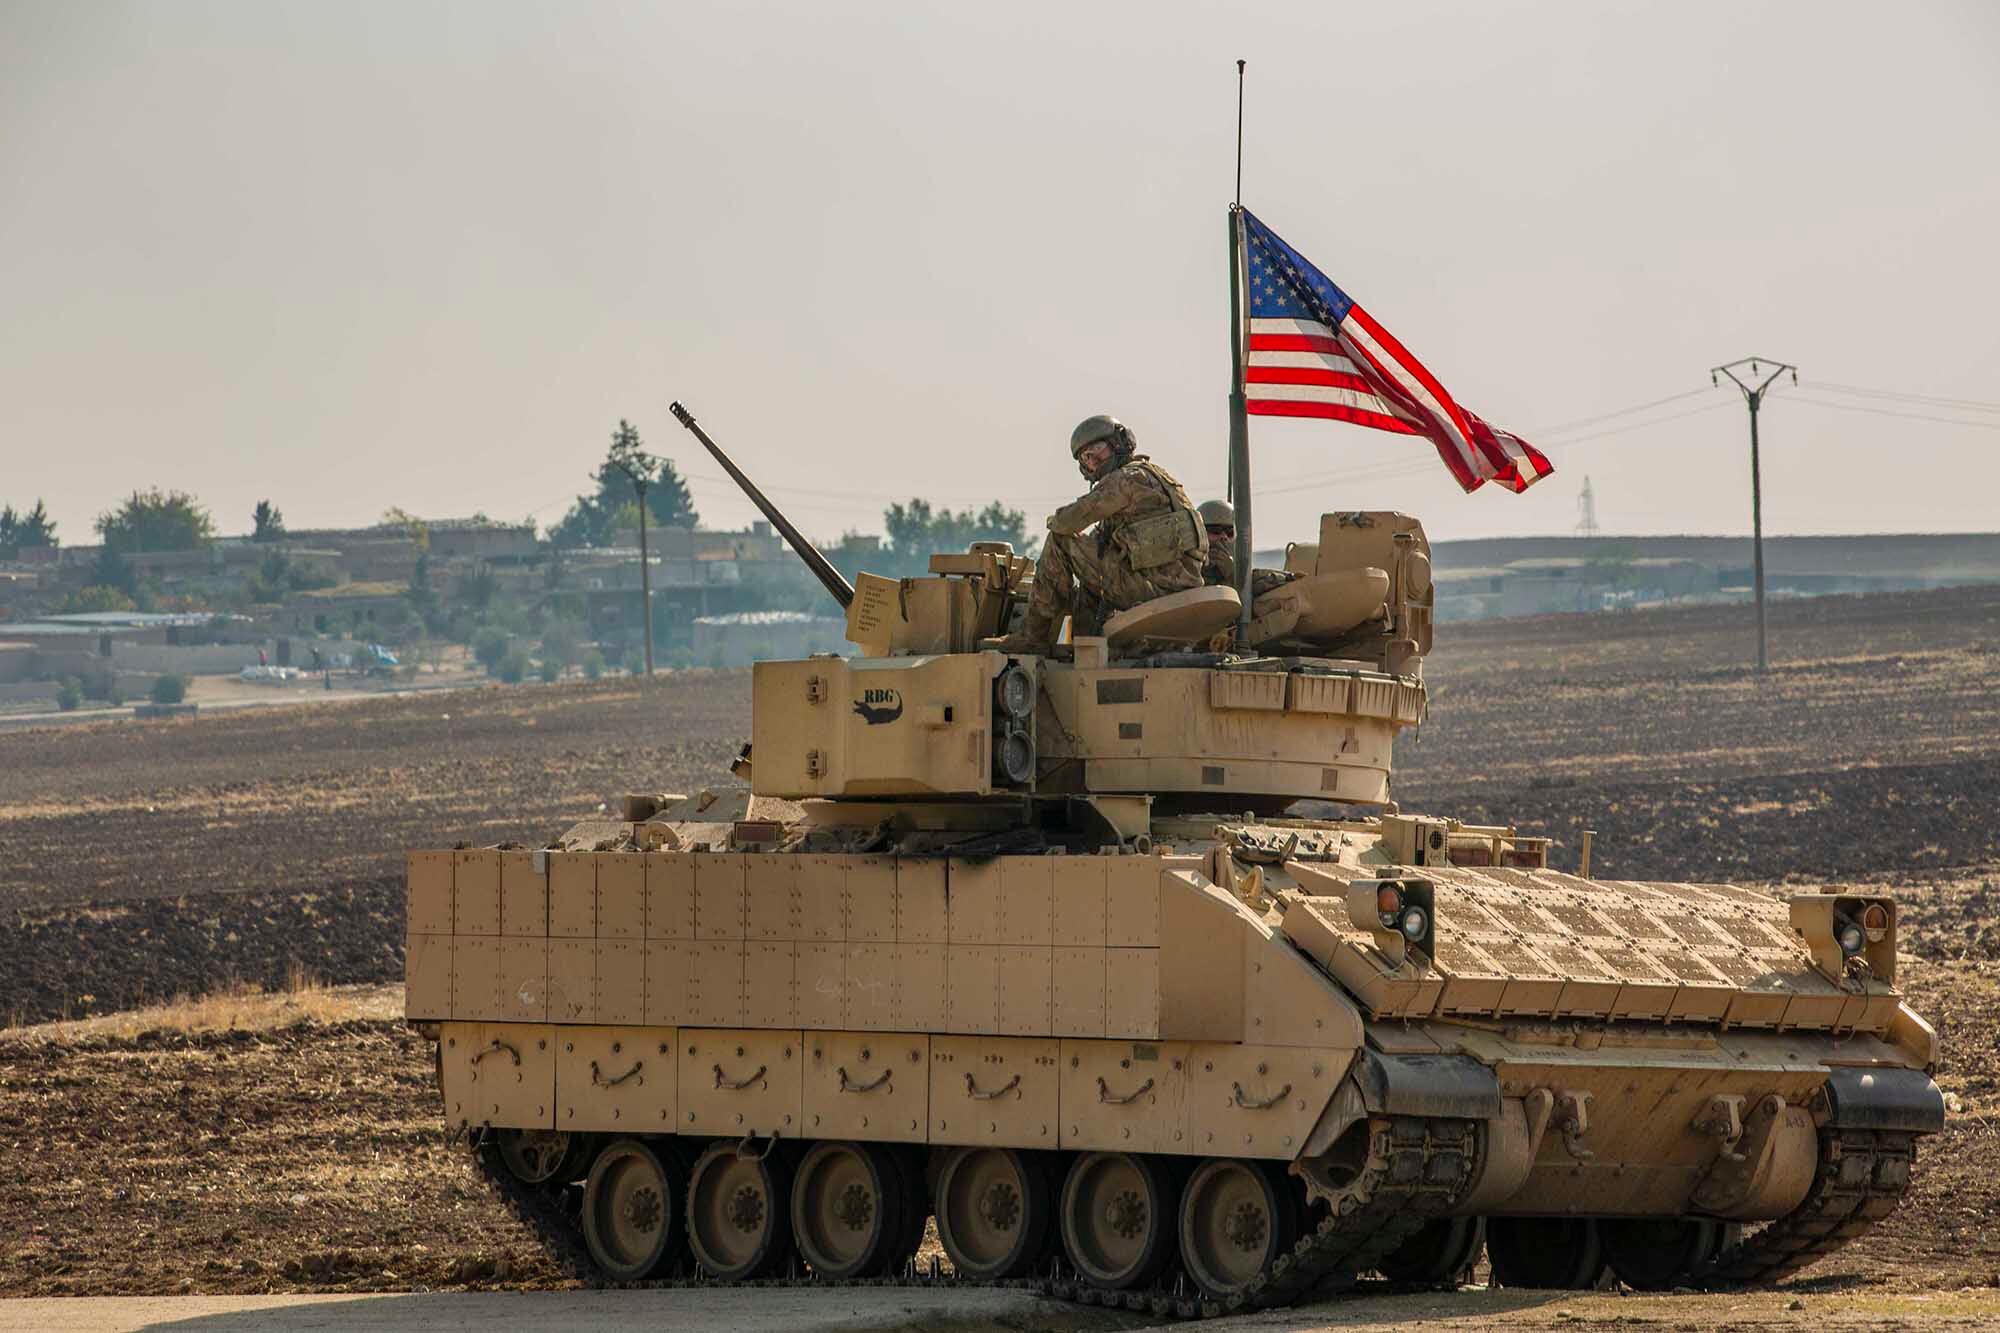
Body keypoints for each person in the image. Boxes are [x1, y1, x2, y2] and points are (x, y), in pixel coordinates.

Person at [991, 415, 1206, 653]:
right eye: (1086, 457)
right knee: (1092, 572)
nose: (1094, 460)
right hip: (1178, 589)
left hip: (1153, 590)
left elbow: (1067, 523)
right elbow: (1100, 544)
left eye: (1097, 450)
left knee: (1061, 540)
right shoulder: (1155, 476)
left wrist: (1054, 521)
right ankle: (1087, 649)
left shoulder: (1125, 480)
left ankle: (1032, 637)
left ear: (1117, 443)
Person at [1198, 497, 1298, 602]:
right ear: (1200, 533)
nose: (1224, 537)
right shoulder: (1187, 574)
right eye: (1215, 531)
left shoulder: (1250, 579)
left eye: (1230, 532)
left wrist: (1234, 575)